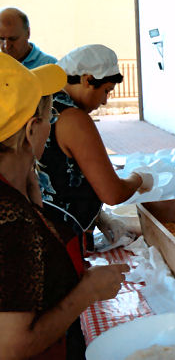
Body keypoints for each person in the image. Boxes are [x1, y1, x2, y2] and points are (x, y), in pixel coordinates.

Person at [0, 52, 129, 359]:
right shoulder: (11, 219)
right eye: (48, 118)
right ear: (31, 131)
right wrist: (87, 292)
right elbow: (11, 345)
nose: (53, 123)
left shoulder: (17, 196)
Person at [38, 44, 153, 243]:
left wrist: (98, 215)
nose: (105, 101)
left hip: (41, 227)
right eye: (106, 91)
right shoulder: (73, 118)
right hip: (62, 238)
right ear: (87, 79)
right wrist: (139, 178)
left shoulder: (45, 103)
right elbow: (113, 194)